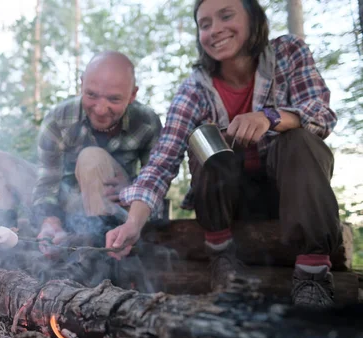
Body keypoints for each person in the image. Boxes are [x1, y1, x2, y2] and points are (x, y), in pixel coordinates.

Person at [106, 0, 342, 308]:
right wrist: (133, 224)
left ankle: (312, 273)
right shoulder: (195, 89)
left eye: (226, 16)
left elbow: (321, 115)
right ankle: (222, 256)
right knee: (206, 142)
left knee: (298, 139)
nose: (215, 29)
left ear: (253, 18)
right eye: (205, 24)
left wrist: (270, 117)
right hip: (230, 205)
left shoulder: (287, 53)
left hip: (289, 197)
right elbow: (162, 162)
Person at [30, 51, 163, 255]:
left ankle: (104, 255)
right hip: (69, 205)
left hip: (118, 209)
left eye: (114, 99)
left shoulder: (147, 123)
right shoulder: (58, 119)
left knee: (91, 157)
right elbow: (47, 184)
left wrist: (131, 189)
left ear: (133, 95)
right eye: (91, 94)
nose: (101, 109)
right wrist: (50, 221)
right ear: (81, 84)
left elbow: (156, 182)